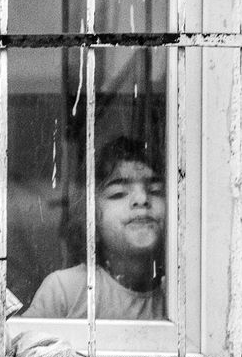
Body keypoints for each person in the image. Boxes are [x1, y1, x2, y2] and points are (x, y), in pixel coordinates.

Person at [25, 136, 166, 319]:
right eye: (118, 194)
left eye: (156, 190)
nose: (142, 199)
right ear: (91, 220)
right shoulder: (66, 290)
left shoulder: (181, 296)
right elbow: (24, 345)